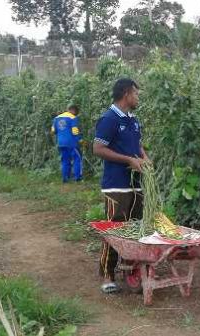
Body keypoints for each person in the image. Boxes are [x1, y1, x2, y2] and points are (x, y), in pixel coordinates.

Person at [93, 78, 149, 293]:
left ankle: (130, 269)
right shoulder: (109, 119)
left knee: (135, 229)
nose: (137, 97)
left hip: (135, 185)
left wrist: (145, 157)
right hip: (116, 186)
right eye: (136, 93)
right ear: (126, 94)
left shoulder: (133, 120)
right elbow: (98, 149)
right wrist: (128, 160)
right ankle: (107, 274)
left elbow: (138, 145)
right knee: (114, 230)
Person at [51, 104, 83, 182]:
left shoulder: (56, 118)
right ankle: (77, 178)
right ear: (74, 110)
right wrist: (80, 140)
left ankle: (65, 178)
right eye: (76, 113)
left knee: (65, 160)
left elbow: (52, 131)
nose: (76, 114)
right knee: (77, 159)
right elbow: (75, 131)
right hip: (71, 143)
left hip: (61, 143)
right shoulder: (73, 118)